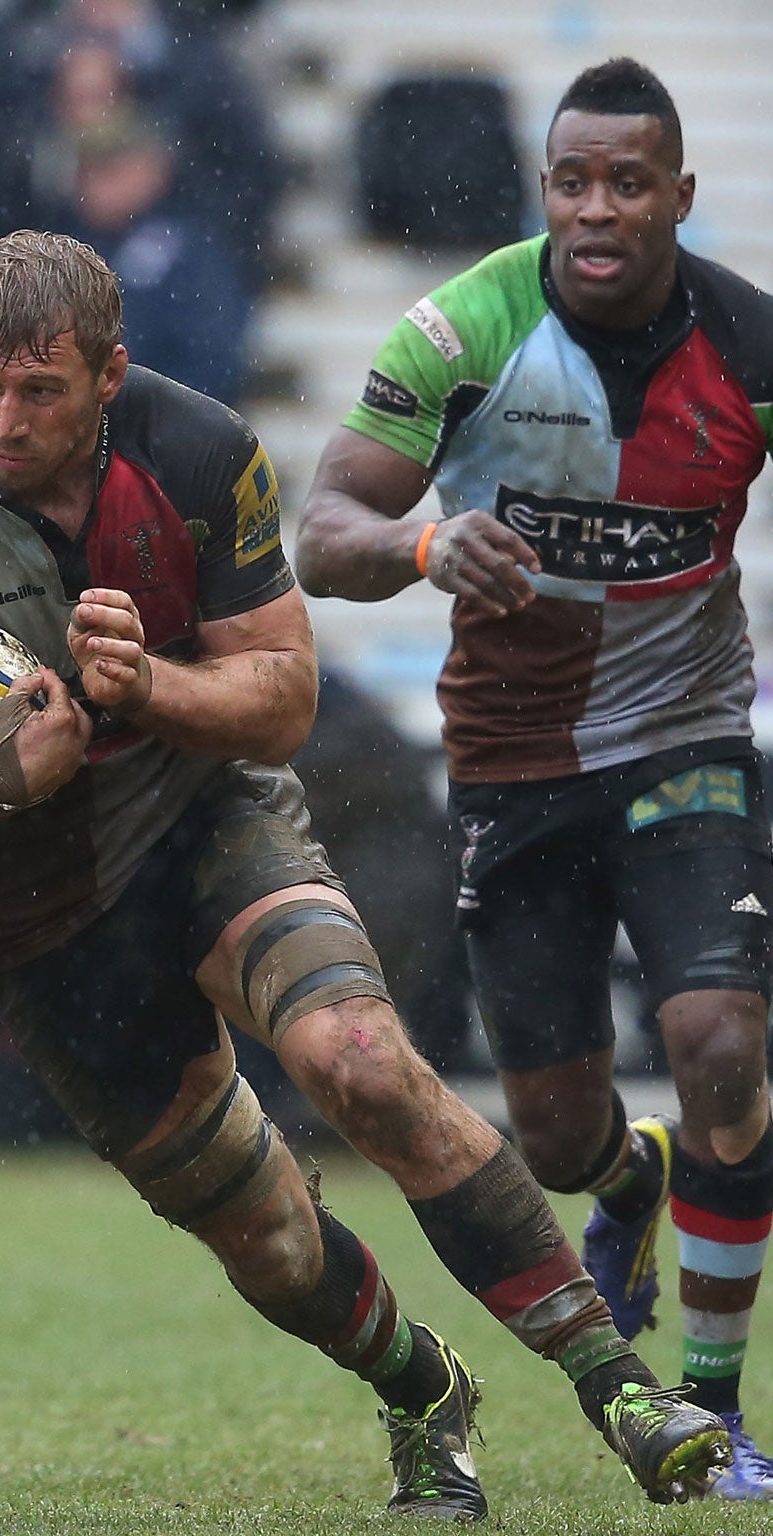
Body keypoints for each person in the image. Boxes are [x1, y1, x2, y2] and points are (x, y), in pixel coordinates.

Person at [0, 228, 733, 1516]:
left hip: (206, 820)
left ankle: (621, 1387)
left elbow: (282, 702)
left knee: (364, 1066)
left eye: (40, 391)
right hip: (36, 916)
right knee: (269, 1235)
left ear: (109, 375)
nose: (2, 419)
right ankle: (421, 1388)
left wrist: (147, 686)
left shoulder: (200, 449)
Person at [293, 58, 773, 1501]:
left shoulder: (747, 342)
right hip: (512, 770)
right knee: (556, 1134)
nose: (598, 209)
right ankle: (630, 1182)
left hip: (688, 745)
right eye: (574, 182)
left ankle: (711, 1405)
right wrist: (429, 547)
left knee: (724, 1046)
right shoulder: (467, 329)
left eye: (629, 183)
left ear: (679, 196)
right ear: (545, 191)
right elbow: (324, 529)